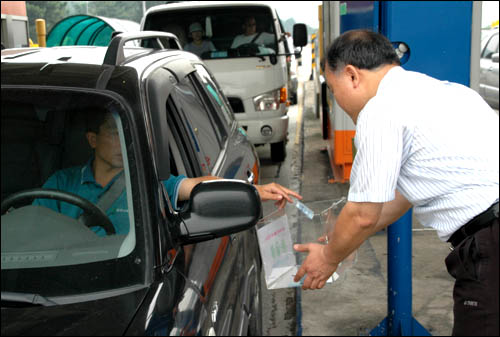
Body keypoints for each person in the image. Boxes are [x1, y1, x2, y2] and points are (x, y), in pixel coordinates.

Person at [293, 30, 499, 336]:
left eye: (334, 90)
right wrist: (344, 241)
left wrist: (328, 257)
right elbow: (399, 198)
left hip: (491, 246)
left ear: (351, 76)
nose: (337, 102)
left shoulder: (380, 110)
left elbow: (363, 215)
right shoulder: (450, 92)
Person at [34, 110, 302, 236]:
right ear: (92, 140)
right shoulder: (61, 184)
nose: (122, 142)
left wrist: (253, 190)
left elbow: (198, 185)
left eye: (125, 134)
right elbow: (32, 229)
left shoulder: (146, 182)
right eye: (113, 133)